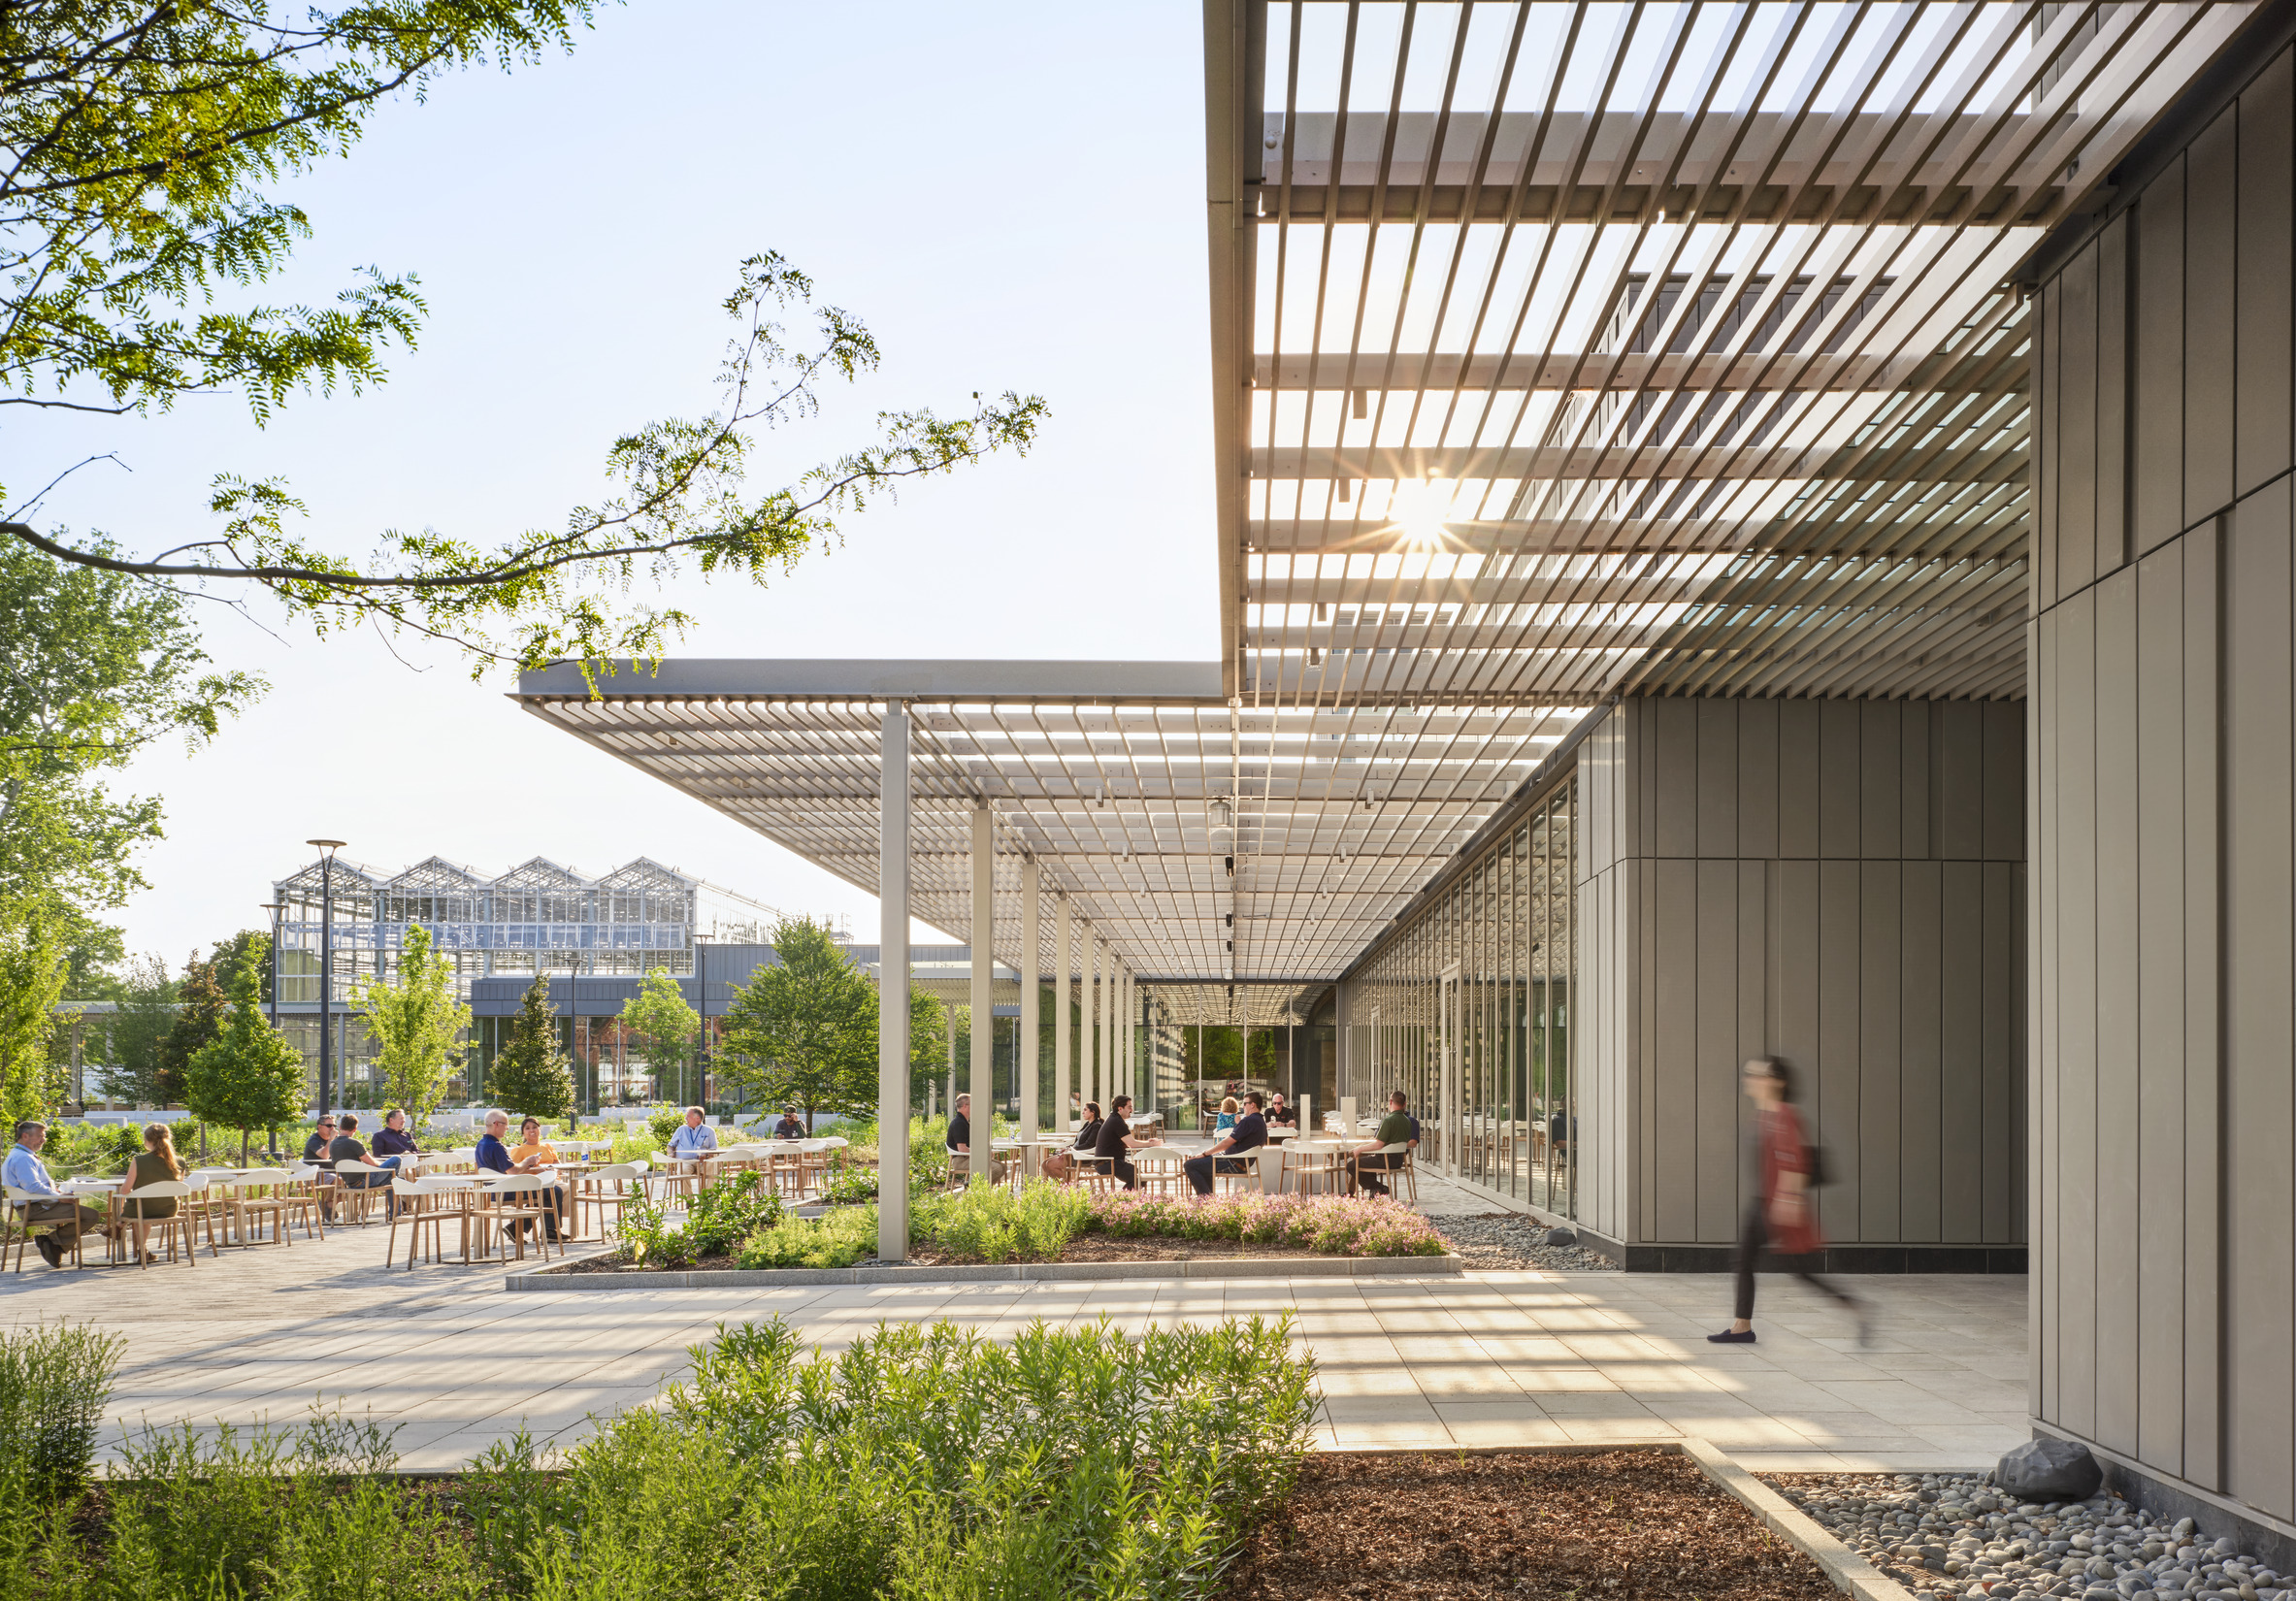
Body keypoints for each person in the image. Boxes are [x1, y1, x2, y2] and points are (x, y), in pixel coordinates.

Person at [1709, 1059, 1868, 1346]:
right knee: (1745, 1259)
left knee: (1799, 1270)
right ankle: (1741, 1326)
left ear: (1779, 1082)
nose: (1752, 1078)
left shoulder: (1784, 1115)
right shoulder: (1763, 1115)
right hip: (1764, 1203)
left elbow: (1794, 1159)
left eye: (1760, 1074)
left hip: (1779, 1206)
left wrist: (1787, 1199)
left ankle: (1853, 1305)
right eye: (1751, 1073)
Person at [3, 1120, 112, 1267]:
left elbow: (33, 1185)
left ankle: (53, 1244)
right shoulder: (23, 1158)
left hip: (34, 1206)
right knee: (91, 1215)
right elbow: (32, 1186)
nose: (44, 1140)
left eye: (44, 1136)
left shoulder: (20, 1155)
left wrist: (56, 1192)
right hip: (34, 1208)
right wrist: (58, 1197)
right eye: (40, 1136)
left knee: (85, 1212)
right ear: (25, 1136)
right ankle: (52, 1242)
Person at [477, 1110, 566, 1243]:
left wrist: (526, 1166)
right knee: (553, 1191)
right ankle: (547, 1231)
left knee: (540, 1193)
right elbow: (513, 1171)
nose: (507, 1128)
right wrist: (528, 1161)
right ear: (496, 1124)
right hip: (506, 1191)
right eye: (505, 1124)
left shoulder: (481, 1144)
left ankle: (517, 1228)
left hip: (493, 1191)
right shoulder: (496, 1146)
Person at [117, 1122, 186, 1263]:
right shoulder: (180, 1162)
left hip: (143, 1209)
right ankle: (144, 1251)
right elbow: (178, 1188)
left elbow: (125, 1190)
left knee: (139, 1207)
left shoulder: (139, 1160)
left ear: (148, 1141)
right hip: (169, 1209)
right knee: (141, 1206)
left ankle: (139, 1248)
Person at [1184, 1091, 1268, 1196]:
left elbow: (1227, 1142)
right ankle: (1208, 1200)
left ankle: (1205, 1202)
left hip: (1233, 1162)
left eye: (1244, 1103)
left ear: (1252, 1105)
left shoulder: (1248, 1121)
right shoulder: (1261, 1122)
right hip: (1241, 1162)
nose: (1242, 1106)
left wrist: (1205, 1153)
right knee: (1203, 1166)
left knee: (1190, 1165)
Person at [1349, 1091, 1418, 1197]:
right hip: (1399, 1161)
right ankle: (1375, 1189)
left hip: (1385, 1160)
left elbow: (1378, 1145)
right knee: (1367, 1161)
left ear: (1390, 1102)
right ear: (1404, 1104)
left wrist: (1360, 1148)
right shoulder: (1408, 1121)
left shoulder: (1388, 1120)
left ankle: (1381, 1188)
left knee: (1351, 1165)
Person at [329, 1113, 393, 1218]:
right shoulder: (354, 1143)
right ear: (355, 1129)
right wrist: (384, 1165)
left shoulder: (332, 1144)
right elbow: (372, 1163)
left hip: (348, 1182)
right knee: (395, 1160)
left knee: (392, 1178)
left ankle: (396, 1211)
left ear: (340, 1127)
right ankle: (394, 1214)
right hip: (363, 1181)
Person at [1095, 1095, 1163, 1190]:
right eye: (1129, 1107)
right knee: (1140, 1178)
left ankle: (1123, 1200)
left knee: (1139, 1177)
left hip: (1107, 1163)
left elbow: (1129, 1142)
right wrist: (1152, 1144)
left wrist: (1147, 1142)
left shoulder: (1113, 1118)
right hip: (1109, 1163)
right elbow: (1132, 1144)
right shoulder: (1117, 1122)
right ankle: (1121, 1201)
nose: (1131, 1110)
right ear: (1120, 1108)